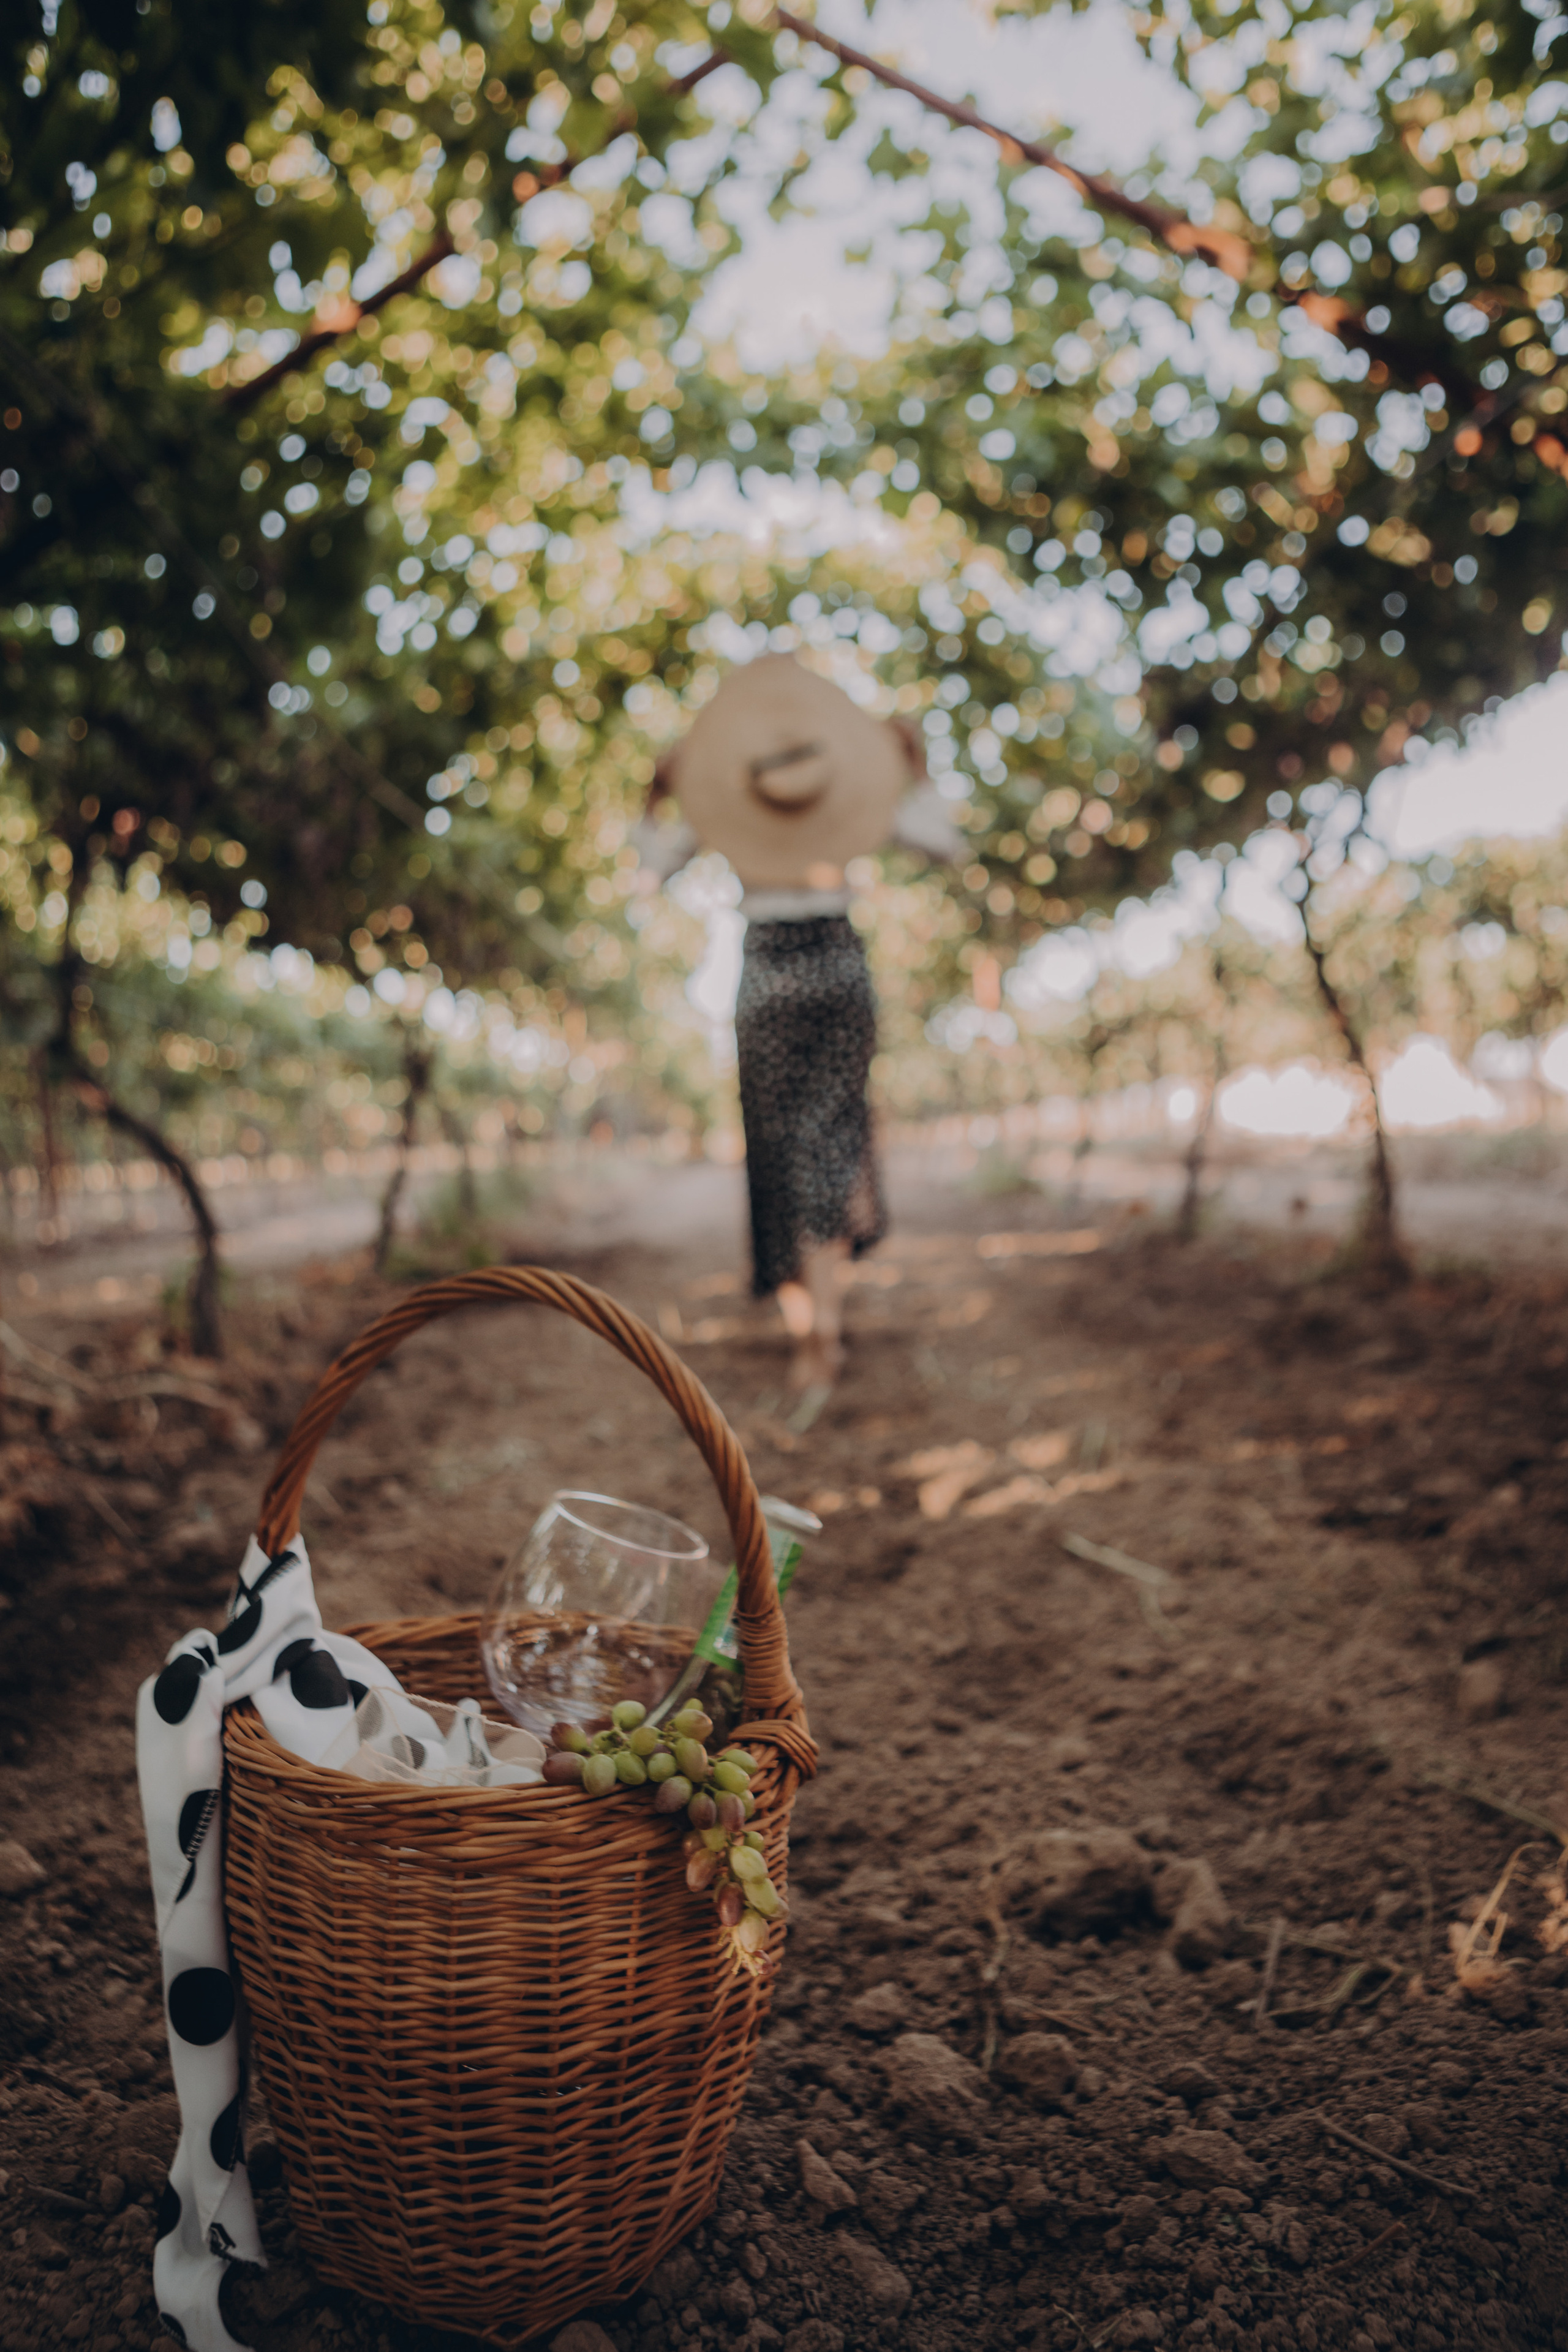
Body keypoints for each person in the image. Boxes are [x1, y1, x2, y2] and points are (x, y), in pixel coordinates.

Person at [635, 653, 962, 1398]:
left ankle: (812, 1332)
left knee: (782, 1153)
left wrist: (654, 797)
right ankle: (823, 1327)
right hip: (840, 967)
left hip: (767, 975)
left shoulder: (723, 811)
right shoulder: (856, 804)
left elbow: (650, 873)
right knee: (832, 1144)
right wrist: (916, 769)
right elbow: (945, 842)